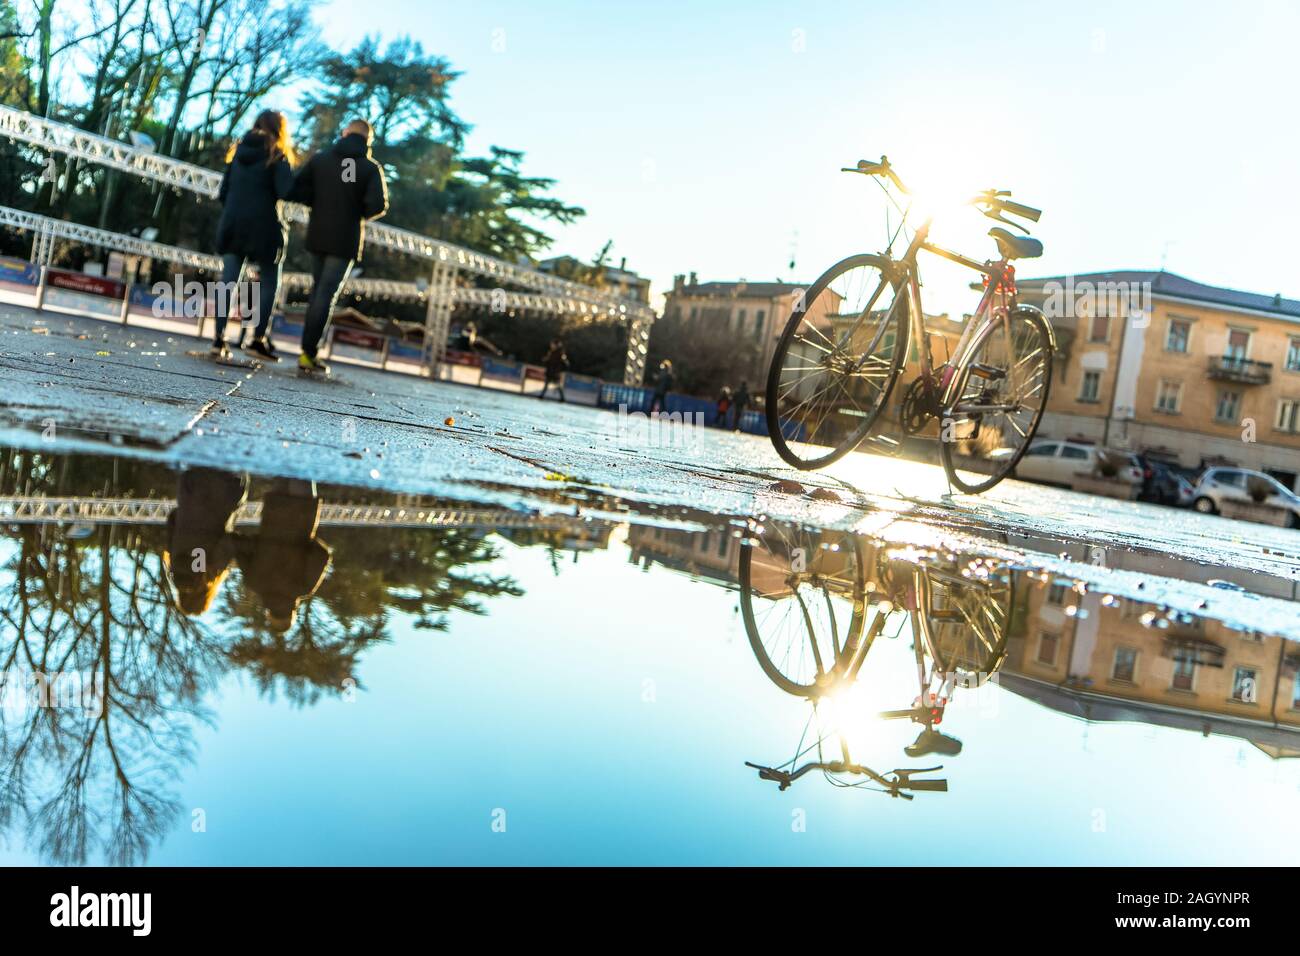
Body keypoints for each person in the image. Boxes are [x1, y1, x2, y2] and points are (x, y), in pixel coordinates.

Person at [289, 118, 389, 373]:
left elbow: (297, 188)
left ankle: (307, 352)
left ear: (345, 133)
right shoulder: (369, 168)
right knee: (326, 295)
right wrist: (356, 211)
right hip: (345, 238)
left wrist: (318, 203)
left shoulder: (321, 159)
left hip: (318, 233)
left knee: (317, 293)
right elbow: (378, 205)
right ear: (368, 141)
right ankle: (308, 353)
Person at [212, 110, 295, 361]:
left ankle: (218, 338)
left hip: (233, 224)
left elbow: (223, 192)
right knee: (270, 282)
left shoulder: (237, 152)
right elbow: (285, 191)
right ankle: (257, 339)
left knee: (228, 281)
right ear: (280, 129)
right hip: (265, 227)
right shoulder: (277, 155)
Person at [234, 478, 332, 633]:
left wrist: (307, 541)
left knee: (302, 470)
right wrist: (261, 541)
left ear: (292, 614)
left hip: (302, 517)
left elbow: (321, 556)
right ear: (268, 613)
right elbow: (240, 549)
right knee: (284, 468)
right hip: (274, 513)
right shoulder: (254, 582)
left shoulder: (303, 588)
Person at [162, 467, 249, 614]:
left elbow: (229, 541)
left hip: (225, 491)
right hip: (190, 486)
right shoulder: (172, 562)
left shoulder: (206, 573)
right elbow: (172, 516)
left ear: (205, 597)